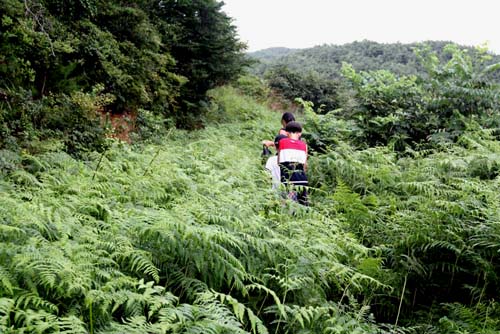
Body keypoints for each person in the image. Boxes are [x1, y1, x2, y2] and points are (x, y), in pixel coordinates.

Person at [276, 121, 308, 205]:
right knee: (303, 206)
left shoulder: (282, 142)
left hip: (287, 181)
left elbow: (278, 162)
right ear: (300, 133)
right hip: (302, 181)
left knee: (287, 206)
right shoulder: (304, 145)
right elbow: (305, 166)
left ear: (286, 133)